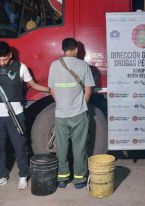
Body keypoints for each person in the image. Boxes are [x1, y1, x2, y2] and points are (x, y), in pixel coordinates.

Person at [0, 41, 50, 189]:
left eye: (4, 59)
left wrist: (49, 90)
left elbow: (33, 84)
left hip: (16, 114)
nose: (2, 63)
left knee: (20, 146)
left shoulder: (21, 68)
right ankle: (2, 174)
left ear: (10, 55)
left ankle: (23, 175)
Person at [48, 38, 95, 189]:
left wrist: (62, 103)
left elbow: (52, 90)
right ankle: (80, 180)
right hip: (78, 113)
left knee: (61, 146)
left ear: (63, 50)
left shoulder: (54, 66)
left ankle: (62, 178)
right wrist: (81, 105)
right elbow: (88, 90)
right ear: (75, 49)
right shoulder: (83, 65)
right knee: (79, 146)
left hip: (61, 114)